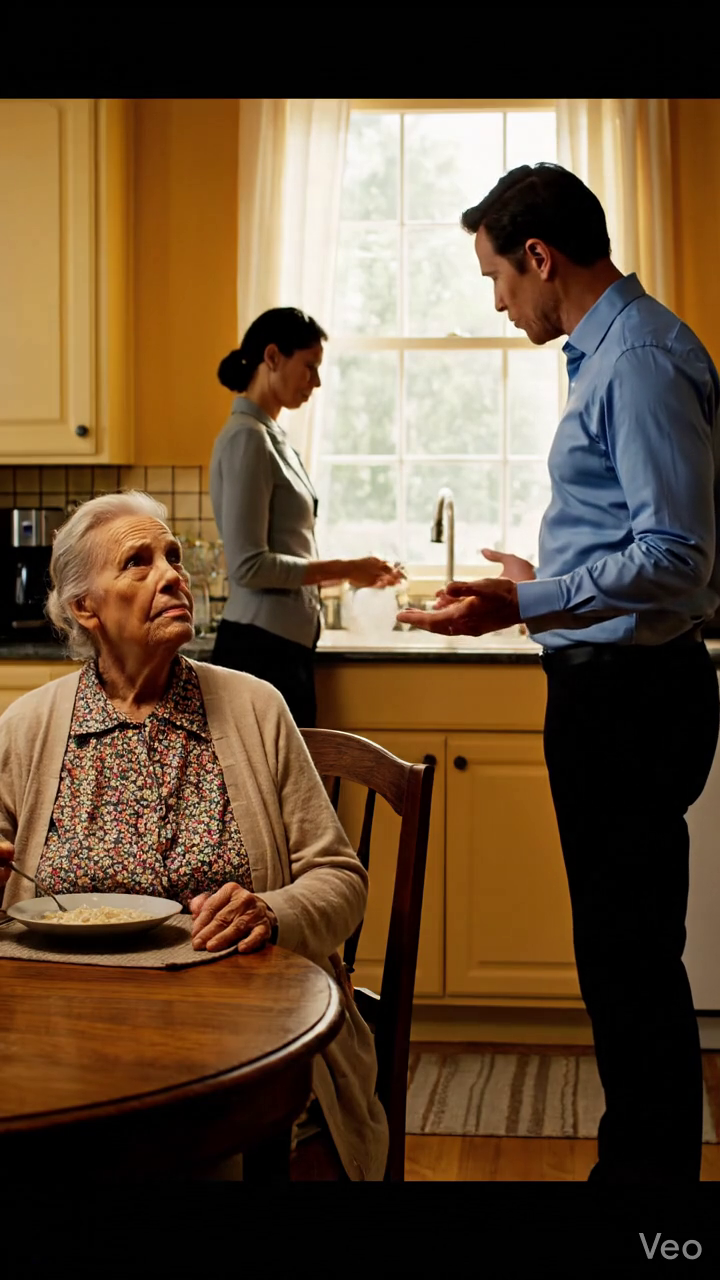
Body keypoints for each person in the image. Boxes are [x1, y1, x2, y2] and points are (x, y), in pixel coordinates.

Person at [399, 163, 720, 1186]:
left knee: (630, 961)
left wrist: (529, 601)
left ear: (539, 257)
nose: (499, 302)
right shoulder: (615, 352)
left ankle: (648, 1197)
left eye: (497, 277)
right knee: (620, 956)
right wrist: (540, 578)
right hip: (614, 687)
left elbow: (678, 556)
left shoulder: (638, 360)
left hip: (630, 699)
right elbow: (637, 537)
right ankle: (640, 1174)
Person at [0, 491, 389, 1181]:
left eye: (173, 556)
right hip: (63, 1040)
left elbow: (340, 877)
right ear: (86, 608)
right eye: (138, 562)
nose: (172, 575)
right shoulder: (28, 728)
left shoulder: (256, 707)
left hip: (245, 1041)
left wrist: (271, 910)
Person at [210, 307, 403, 726]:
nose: (316, 382)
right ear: (273, 357)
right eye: (310, 366)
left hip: (281, 648)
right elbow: (249, 566)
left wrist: (355, 573)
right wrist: (346, 567)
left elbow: (287, 551)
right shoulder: (247, 439)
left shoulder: (270, 436)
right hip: (259, 650)